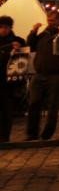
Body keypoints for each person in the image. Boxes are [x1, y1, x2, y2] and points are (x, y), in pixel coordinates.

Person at [25, 12, 59, 141]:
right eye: (48, 20)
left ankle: (47, 134)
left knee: (53, 105)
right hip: (39, 73)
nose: (50, 22)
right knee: (33, 102)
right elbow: (31, 46)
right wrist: (33, 32)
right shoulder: (44, 34)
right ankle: (32, 133)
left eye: (53, 20)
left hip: (56, 74)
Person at [0, 15, 28, 143]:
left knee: (6, 109)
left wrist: (19, 47)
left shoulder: (17, 40)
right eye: (1, 27)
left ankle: (4, 136)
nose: (3, 30)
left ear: (10, 28)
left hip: (9, 82)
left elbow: (25, 51)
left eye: (6, 27)